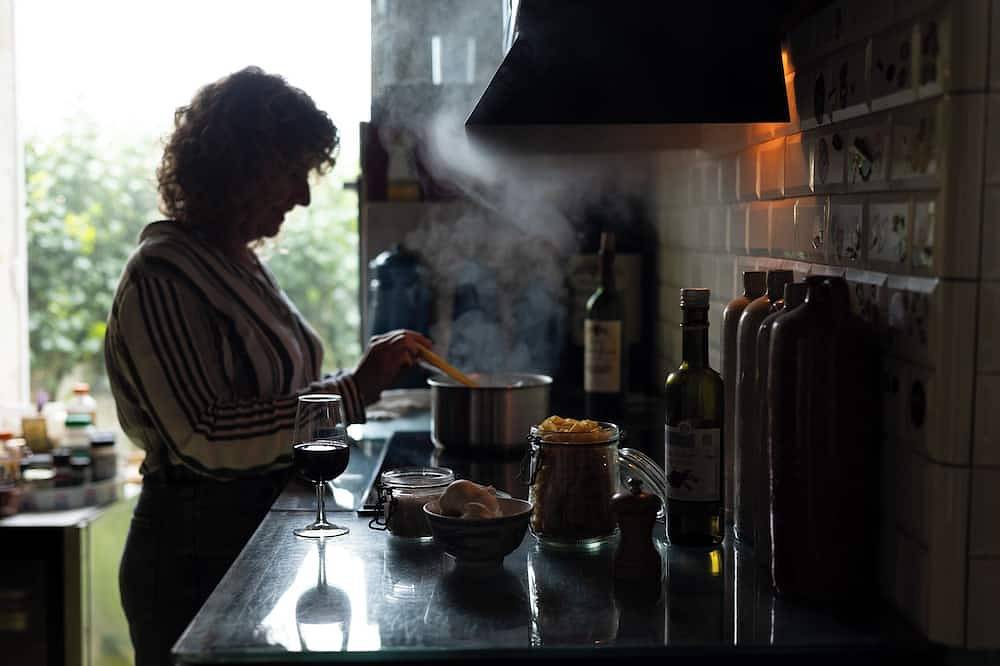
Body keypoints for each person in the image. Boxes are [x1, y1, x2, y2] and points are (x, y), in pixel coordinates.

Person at [103, 66, 430, 666]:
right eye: (291, 174)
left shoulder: (237, 264)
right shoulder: (164, 274)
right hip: (191, 559)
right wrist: (354, 390)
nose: (303, 197)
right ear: (240, 169)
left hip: (248, 541)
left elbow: (286, 400)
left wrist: (363, 383)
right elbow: (207, 437)